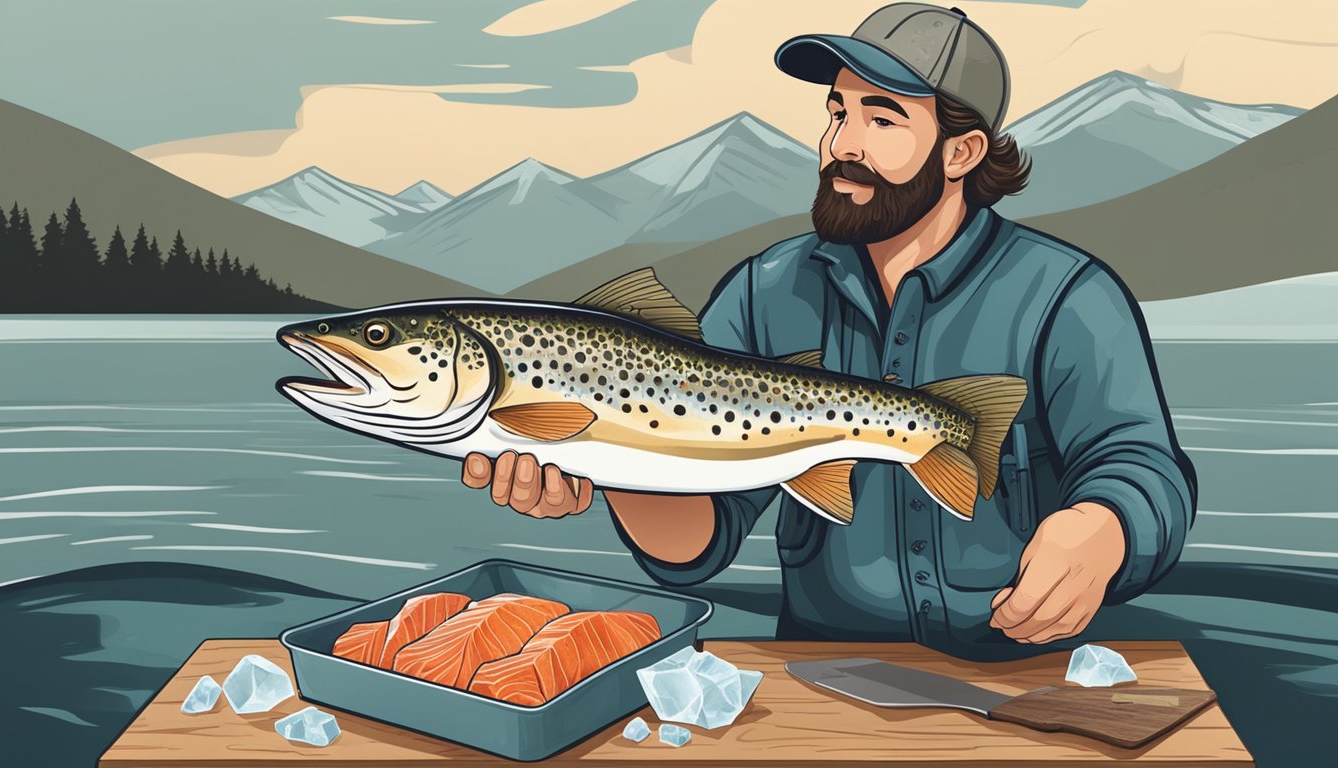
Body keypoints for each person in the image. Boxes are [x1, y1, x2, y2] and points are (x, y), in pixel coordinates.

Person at [460, 2, 1197, 659]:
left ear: (962, 153)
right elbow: (702, 541)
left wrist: (1105, 529)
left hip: (1034, 670)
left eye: (882, 119)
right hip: (819, 675)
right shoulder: (762, 292)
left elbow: (1142, 466)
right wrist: (610, 460)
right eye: (838, 112)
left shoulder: (1068, 294)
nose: (843, 142)